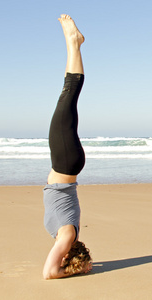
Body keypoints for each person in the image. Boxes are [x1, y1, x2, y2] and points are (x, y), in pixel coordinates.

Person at [42, 14, 92, 279]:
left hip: (67, 164)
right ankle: (74, 42)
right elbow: (49, 273)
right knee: (68, 94)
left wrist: (77, 263)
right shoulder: (68, 234)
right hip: (64, 163)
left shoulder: (68, 234)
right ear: (67, 254)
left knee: (68, 97)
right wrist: (68, 270)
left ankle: (74, 44)